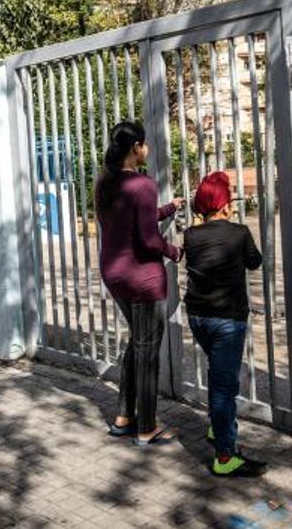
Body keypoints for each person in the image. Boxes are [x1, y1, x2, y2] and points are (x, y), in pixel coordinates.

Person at [95, 121, 185, 447]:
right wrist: (174, 251)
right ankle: (146, 428)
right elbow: (148, 239)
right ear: (137, 148)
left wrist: (168, 209)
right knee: (148, 351)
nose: (147, 150)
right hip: (142, 277)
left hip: (114, 273)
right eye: (145, 145)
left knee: (137, 341)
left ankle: (123, 418)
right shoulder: (142, 184)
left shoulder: (106, 182)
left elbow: (133, 219)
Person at [184, 171, 267, 477]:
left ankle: (219, 427)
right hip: (227, 319)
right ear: (226, 203)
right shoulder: (239, 232)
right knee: (223, 386)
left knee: (223, 380)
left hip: (197, 317)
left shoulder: (191, 236)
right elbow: (254, 262)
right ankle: (224, 457)